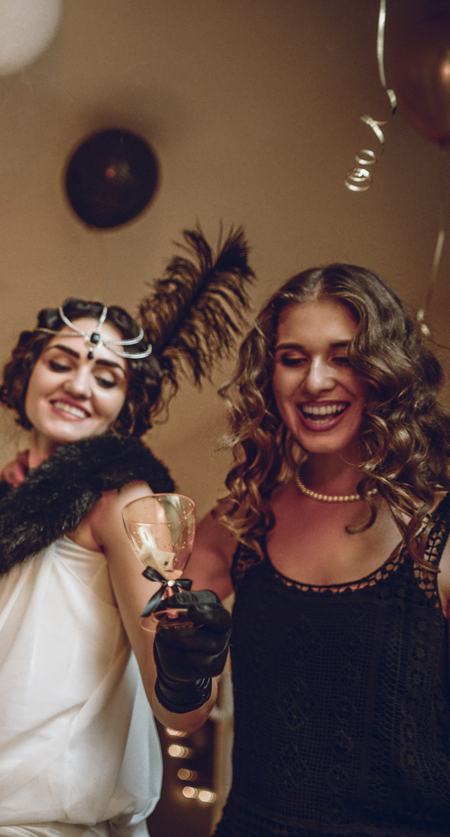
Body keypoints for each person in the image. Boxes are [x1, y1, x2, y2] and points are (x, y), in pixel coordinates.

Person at [0, 228, 251, 837]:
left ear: (126, 406)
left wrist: (191, 661)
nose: (79, 386)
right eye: (61, 362)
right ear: (25, 374)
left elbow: (178, 711)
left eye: (107, 376)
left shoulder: (123, 499)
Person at [183, 264, 450, 836]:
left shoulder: (436, 526)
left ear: (386, 370)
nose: (315, 381)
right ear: (268, 373)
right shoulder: (239, 525)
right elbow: (181, 709)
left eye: (344, 356)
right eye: (292, 357)